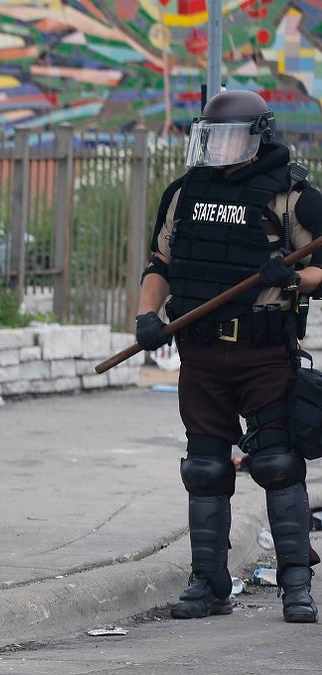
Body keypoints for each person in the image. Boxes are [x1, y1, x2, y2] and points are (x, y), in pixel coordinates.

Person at [134, 88, 320, 623]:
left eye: (231, 136)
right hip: (202, 353)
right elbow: (160, 265)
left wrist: (295, 276)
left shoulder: (295, 197)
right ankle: (208, 582)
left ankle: (295, 586)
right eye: (212, 137)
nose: (220, 148)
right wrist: (149, 317)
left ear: (259, 137)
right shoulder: (185, 193)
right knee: (206, 468)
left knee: (278, 464)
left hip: (264, 352)